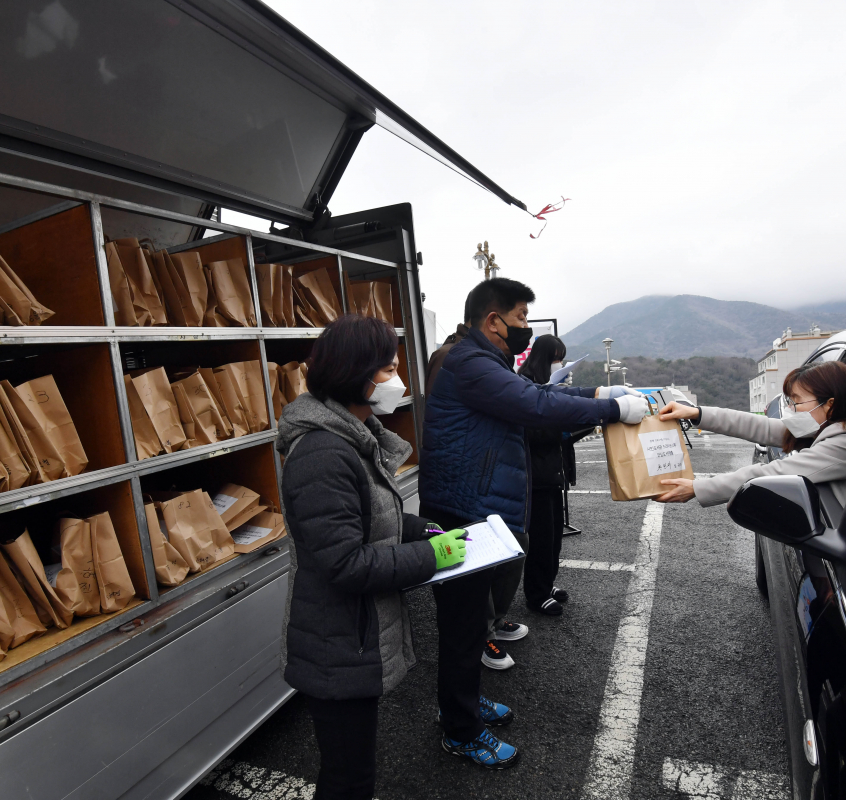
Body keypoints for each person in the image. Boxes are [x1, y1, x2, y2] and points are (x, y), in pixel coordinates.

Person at [419, 278, 649, 767]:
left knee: (470, 622)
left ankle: (460, 704)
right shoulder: (470, 364)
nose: (526, 328)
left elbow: (536, 393)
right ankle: (459, 730)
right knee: (462, 627)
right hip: (461, 513)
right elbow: (535, 405)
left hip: (474, 507)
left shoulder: (487, 361)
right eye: (521, 318)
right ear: (493, 321)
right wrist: (612, 409)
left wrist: (601, 391)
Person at [277, 314, 506, 799]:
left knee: (353, 773)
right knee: (348, 779)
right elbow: (345, 564)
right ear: (352, 372)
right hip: (335, 644)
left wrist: (432, 532)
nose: (397, 380)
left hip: (350, 637)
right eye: (387, 369)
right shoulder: (323, 453)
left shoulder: (354, 438)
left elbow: (376, 520)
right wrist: (433, 556)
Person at [654, 360, 846, 506]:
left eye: (797, 401)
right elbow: (760, 426)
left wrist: (698, 487)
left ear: (830, 405)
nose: (790, 408)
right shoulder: (824, 427)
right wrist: (697, 414)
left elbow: (773, 474)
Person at [517, 334, 590, 616]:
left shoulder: (548, 385)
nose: (560, 362)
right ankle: (535, 594)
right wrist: (561, 424)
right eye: (557, 358)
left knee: (554, 536)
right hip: (536, 475)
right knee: (541, 537)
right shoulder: (527, 384)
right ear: (545, 358)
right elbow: (533, 431)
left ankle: (546, 586)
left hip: (552, 472)